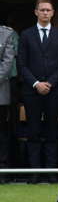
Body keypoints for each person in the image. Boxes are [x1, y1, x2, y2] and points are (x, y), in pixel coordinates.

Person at [18, 0, 58, 183]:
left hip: (53, 91)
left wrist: (50, 83)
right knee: (33, 131)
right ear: (36, 12)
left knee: (51, 132)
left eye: (48, 10)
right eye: (42, 10)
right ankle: (34, 173)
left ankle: (51, 172)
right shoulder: (26, 35)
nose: (45, 13)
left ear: (53, 13)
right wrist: (36, 83)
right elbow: (22, 64)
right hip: (32, 91)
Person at [0, 23, 16, 172]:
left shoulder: (6, 33)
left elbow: (8, 61)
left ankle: (2, 169)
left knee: (2, 132)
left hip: (0, 91)